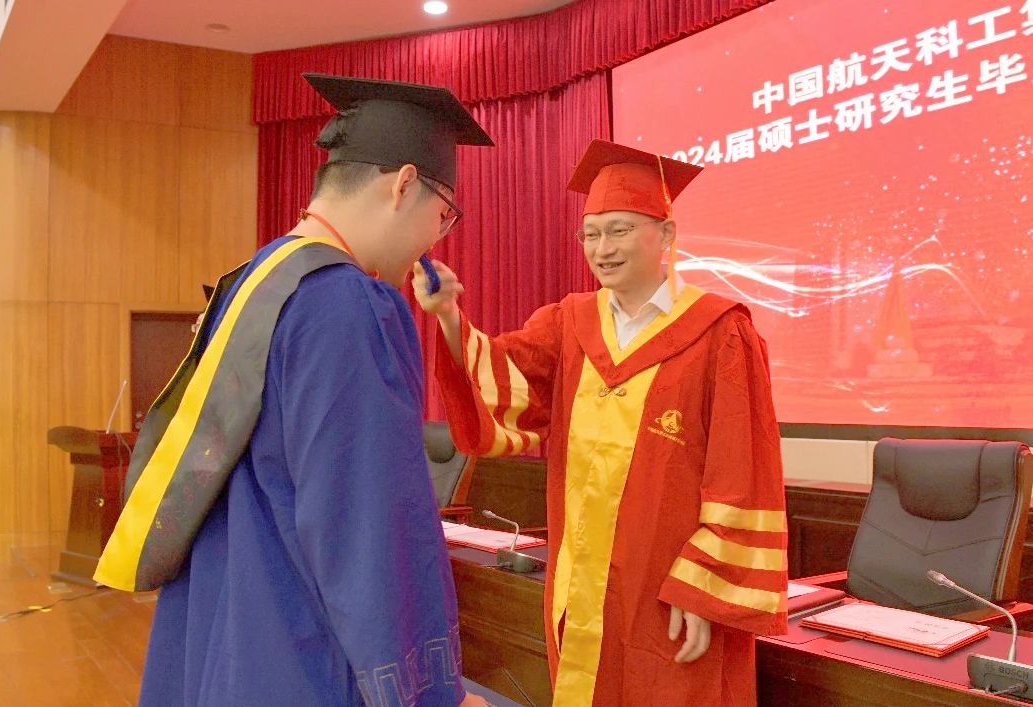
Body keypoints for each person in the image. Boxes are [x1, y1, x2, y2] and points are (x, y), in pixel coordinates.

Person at [95, 74, 493, 706]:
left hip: (225, 622)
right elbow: (369, 524)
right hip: (297, 645)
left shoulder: (256, 280)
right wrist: (430, 692)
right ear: (403, 184)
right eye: (443, 214)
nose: (435, 239)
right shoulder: (349, 305)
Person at [414, 139, 789, 706]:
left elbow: (744, 469)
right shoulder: (569, 324)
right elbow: (502, 381)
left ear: (665, 234)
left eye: (619, 230)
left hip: (671, 589)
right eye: (590, 234)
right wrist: (447, 315)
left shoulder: (720, 332)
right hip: (582, 581)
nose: (602, 248)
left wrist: (705, 589)